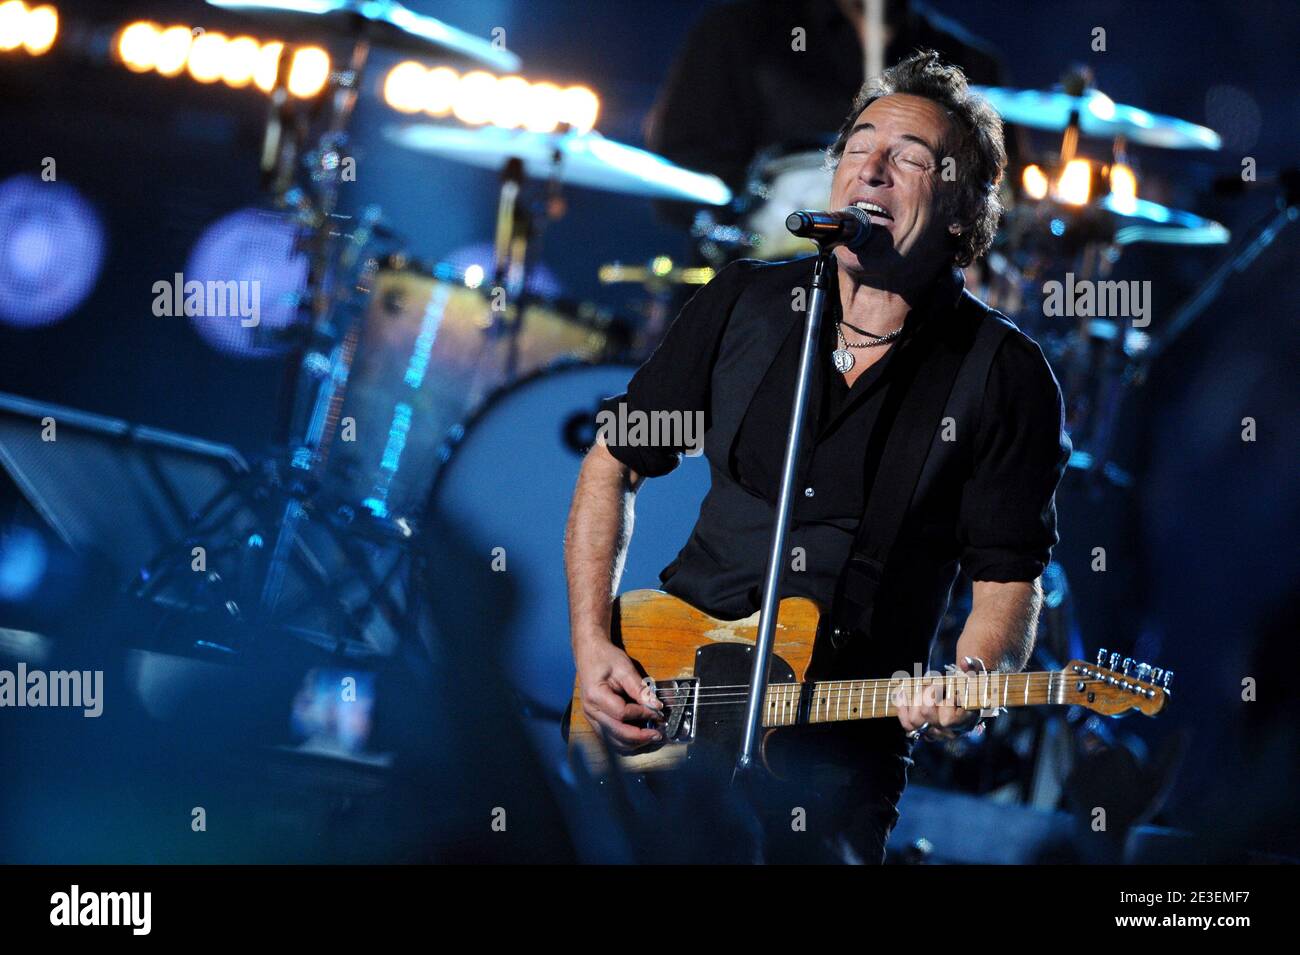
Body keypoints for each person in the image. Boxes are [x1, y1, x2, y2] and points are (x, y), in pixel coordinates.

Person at [565, 51, 1070, 863]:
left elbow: (1008, 580)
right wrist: (593, 646)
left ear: (960, 209)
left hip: (835, 753)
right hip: (666, 698)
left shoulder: (1001, 375)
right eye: (858, 146)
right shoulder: (747, 304)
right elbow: (612, 462)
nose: (869, 167)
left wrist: (968, 682)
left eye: (907, 157)